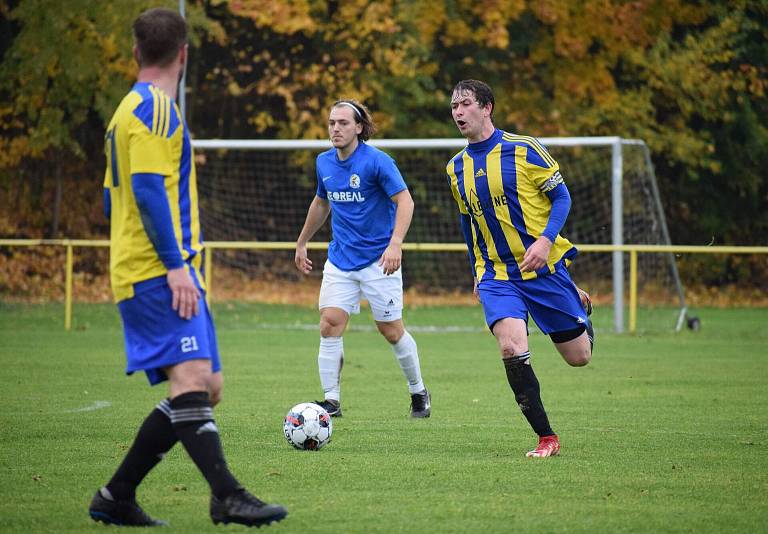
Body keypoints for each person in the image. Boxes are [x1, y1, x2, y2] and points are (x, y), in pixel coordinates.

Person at [89, 7, 287, 527]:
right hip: (158, 270)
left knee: (207, 387)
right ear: (184, 54)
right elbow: (149, 191)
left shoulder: (125, 110)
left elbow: (112, 202)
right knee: (193, 377)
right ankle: (227, 495)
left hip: (160, 267)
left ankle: (116, 496)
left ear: (136, 52)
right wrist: (174, 266)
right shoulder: (155, 109)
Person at [446, 79, 594, 458]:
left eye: (465, 104)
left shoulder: (524, 149)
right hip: (497, 274)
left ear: (487, 107)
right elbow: (468, 224)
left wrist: (545, 242)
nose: (458, 112)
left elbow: (562, 197)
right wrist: (475, 270)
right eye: (453, 107)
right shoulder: (455, 168)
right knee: (511, 347)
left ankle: (575, 300)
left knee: (579, 357)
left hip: (543, 270)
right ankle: (547, 437)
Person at [294, 99, 431, 419]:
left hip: (378, 260)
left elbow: (405, 201)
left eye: (343, 123)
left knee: (391, 330)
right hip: (340, 259)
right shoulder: (324, 163)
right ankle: (331, 401)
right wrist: (302, 243)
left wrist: (395, 244)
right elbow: (320, 203)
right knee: (329, 323)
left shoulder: (378, 162)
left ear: (359, 127)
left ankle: (418, 391)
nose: (336, 129)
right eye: (331, 123)